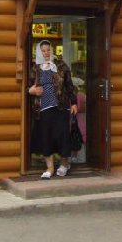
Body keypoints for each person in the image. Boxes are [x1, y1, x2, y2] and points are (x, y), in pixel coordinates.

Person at [28, 40, 78, 179]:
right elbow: (28, 86)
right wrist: (31, 90)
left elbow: (69, 85)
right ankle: (49, 168)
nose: (46, 53)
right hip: (43, 108)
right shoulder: (35, 68)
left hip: (61, 106)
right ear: (39, 52)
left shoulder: (61, 65)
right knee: (47, 137)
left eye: (48, 50)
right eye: (43, 50)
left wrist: (74, 103)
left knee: (62, 136)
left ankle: (64, 164)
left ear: (52, 50)